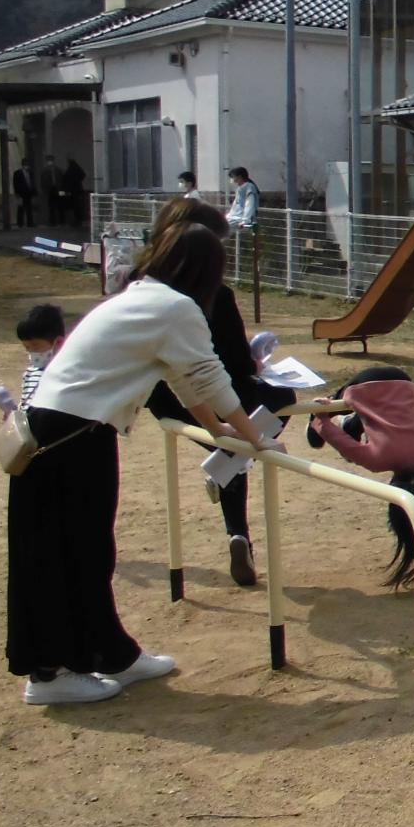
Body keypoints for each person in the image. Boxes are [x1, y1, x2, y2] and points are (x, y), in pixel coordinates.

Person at [8, 223, 273, 707]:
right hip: (69, 436)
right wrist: (256, 439)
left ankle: (111, 654)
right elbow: (209, 377)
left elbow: (184, 379)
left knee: (87, 551)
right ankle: (49, 674)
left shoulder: (143, 298)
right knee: (68, 554)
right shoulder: (174, 307)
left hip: (65, 429)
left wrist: (220, 432)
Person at [137, 197, 294, 588]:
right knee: (276, 402)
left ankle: (237, 531)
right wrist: (252, 430)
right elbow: (225, 368)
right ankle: (229, 480)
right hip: (203, 392)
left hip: (163, 398)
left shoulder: (138, 283)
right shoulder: (207, 296)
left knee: (235, 445)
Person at [307, 368, 414, 587]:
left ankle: (356, 421)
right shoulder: (376, 462)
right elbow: (336, 438)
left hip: (404, 382)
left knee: (383, 415)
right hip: (363, 387)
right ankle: (344, 419)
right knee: (320, 436)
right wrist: (321, 417)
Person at [16, 304, 68, 406]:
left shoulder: (64, 374)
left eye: (35, 347)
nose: (32, 352)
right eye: (27, 348)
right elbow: (25, 401)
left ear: (58, 343)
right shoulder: (30, 371)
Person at [62, 155, 88, 231]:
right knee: (77, 206)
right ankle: (78, 220)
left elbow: (66, 179)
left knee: (75, 206)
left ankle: (77, 220)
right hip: (77, 190)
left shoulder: (71, 169)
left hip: (73, 191)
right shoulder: (76, 168)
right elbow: (82, 175)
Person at [42, 154, 65, 227]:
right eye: (49, 160)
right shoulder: (45, 170)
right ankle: (52, 222)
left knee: (60, 205)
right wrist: (44, 190)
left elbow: (62, 181)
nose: (50, 162)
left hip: (58, 189)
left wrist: (62, 191)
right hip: (50, 190)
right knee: (51, 206)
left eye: (51, 160)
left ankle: (61, 221)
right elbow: (43, 181)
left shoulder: (58, 170)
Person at [13, 163, 37, 227]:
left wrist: (34, 192)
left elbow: (32, 183)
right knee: (21, 208)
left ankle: (30, 223)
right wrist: (17, 193)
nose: (27, 167)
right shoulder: (17, 173)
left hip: (29, 193)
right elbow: (15, 183)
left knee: (29, 208)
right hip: (21, 193)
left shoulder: (30, 173)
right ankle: (20, 223)